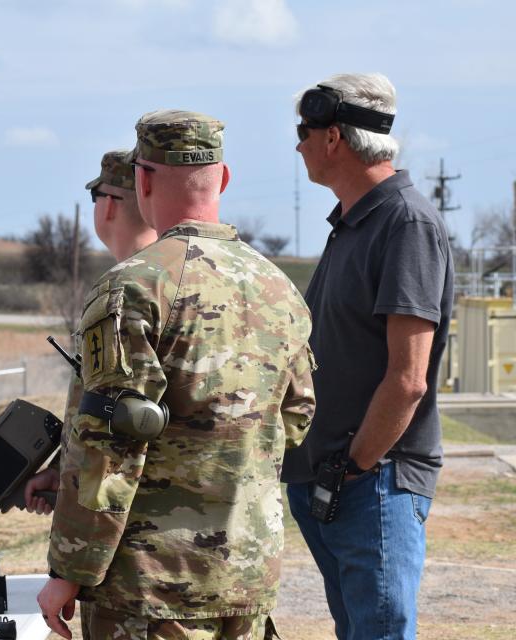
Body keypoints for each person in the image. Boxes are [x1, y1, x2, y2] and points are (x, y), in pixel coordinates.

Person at [37, 110, 316, 640]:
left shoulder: (133, 288)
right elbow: (297, 419)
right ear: (223, 179)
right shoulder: (281, 290)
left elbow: (109, 442)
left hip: (150, 588)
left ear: (142, 180)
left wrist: (68, 569)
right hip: (246, 575)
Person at [281, 73, 454, 640]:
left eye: (304, 131)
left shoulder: (405, 223)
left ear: (334, 138)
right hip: (333, 481)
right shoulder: (353, 223)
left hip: (372, 482)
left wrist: (352, 468)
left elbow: (407, 381)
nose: (298, 143)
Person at [24, 149, 158, 516]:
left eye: (94, 197)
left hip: (127, 524)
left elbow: (108, 436)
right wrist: (60, 472)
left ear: (110, 206)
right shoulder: (165, 279)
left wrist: (72, 565)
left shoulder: (124, 291)